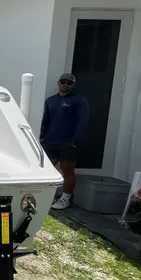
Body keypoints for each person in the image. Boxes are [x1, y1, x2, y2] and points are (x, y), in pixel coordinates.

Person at [39, 73, 90, 210]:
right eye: (63, 82)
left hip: (68, 143)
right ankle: (44, 197)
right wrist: (42, 137)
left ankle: (65, 199)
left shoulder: (79, 101)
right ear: (58, 83)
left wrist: (75, 141)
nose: (65, 85)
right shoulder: (50, 100)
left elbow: (83, 122)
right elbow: (46, 121)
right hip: (50, 142)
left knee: (67, 171)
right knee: (45, 170)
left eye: (69, 83)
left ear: (73, 85)